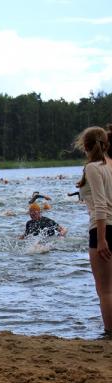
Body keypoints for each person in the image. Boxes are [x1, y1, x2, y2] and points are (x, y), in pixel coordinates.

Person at [74, 126, 112, 335]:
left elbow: (100, 205)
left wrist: (101, 239)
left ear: (85, 146)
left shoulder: (93, 168)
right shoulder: (110, 164)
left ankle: (109, 334)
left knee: (105, 290)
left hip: (102, 229)